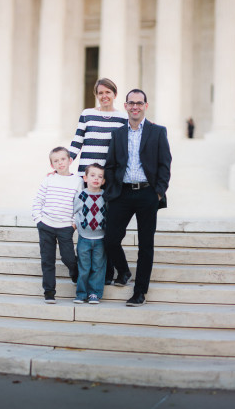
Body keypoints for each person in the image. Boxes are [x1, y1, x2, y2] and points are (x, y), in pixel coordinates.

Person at [103, 89, 172, 307]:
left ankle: (140, 292)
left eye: (139, 103)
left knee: (146, 245)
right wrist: (112, 190)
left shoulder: (158, 132)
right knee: (110, 239)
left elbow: (165, 164)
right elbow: (111, 164)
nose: (135, 106)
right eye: (131, 103)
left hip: (147, 194)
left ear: (146, 106)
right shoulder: (117, 134)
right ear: (125, 106)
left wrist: (158, 191)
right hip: (121, 193)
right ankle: (123, 271)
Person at [68, 77, 127, 284]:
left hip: (107, 180)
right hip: (86, 178)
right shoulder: (87, 114)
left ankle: (107, 272)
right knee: (84, 222)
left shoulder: (122, 118)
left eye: (108, 92)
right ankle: (80, 269)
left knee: (105, 225)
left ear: (114, 94)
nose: (104, 96)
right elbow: (77, 141)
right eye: (100, 93)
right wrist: (64, 164)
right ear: (96, 95)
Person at [31, 146, 83, 304]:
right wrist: (38, 219)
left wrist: (73, 224)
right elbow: (38, 201)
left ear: (70, 160)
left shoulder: (78, 181)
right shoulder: (49, 179)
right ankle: (49, 292)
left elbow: (80, 205)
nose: (60, 163)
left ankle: (75, 274)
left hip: (65, 227)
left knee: (68, 258)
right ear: (52, 165)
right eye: (56, 161)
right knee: (47, 260)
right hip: (46, 225)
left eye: (63, 159)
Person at [72, 163, 107, 305]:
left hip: (100, 238)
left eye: (100, 176)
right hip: (84, 238)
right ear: (85, 178)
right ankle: (81, 294)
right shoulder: (81, 195)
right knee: (84, 267)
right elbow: (75, 212)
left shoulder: (105, 196)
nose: (96, 179)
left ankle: (94, 293)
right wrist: (77, 226)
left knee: (98, 267)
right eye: (92, 175)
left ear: (103, 181)